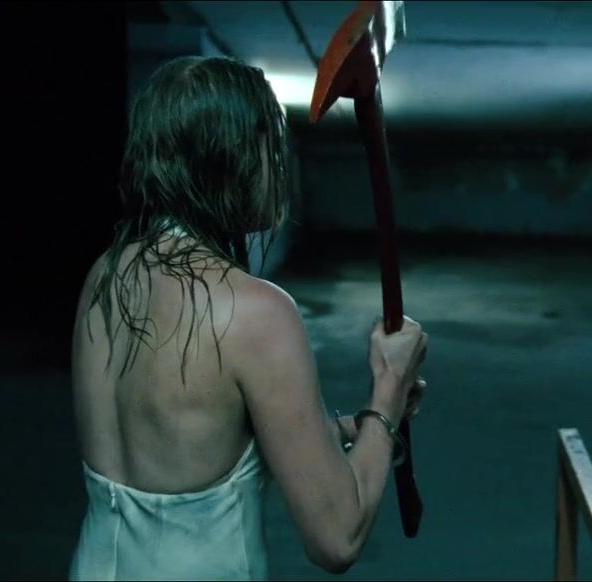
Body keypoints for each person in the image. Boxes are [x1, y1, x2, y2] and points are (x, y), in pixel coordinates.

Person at [67, 55, 429, 580]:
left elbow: (192, 445)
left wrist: (358, 429)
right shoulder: (257, 312)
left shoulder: (107, 274)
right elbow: (337, 537)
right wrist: (389, 388)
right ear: (228, 158)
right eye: (271, 146)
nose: (279, 167)